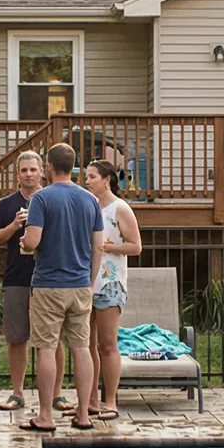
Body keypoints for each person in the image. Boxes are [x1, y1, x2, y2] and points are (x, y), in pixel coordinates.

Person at [20, 143, 104, 434]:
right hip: (81, 284)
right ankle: (83, 413)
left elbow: (32, 241)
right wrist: (90, 282)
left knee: (46, 348)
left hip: (48, 285)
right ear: (73, 166)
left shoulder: (41, 199)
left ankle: (45, 416)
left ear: (49, 167)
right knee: (81, 348)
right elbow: (98, 247)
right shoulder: (91, 200)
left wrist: (24, 242)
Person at [80, 160, 141, 422]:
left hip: (111, 282)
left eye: (91, 177)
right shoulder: (87, 207)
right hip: (85, 282)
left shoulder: (120, 208)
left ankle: (110, 402)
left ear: (107, 179)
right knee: (87, 345)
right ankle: (90, 401)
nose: (87, 181)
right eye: (86, 177)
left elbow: (136, 246)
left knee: (107, 344)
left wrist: (109, 247)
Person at [0, 151, 44, 411]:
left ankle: (55, 395)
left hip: (48, 278)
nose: (28, 174)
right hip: (16, 278)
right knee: (16, 338)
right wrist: (13, 226)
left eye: (33, 169)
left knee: (50, 340)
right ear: (17, 174)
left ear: (42, 171)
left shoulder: (50, 199)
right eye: (24, 170)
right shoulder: (7, 204)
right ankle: (18, 392)